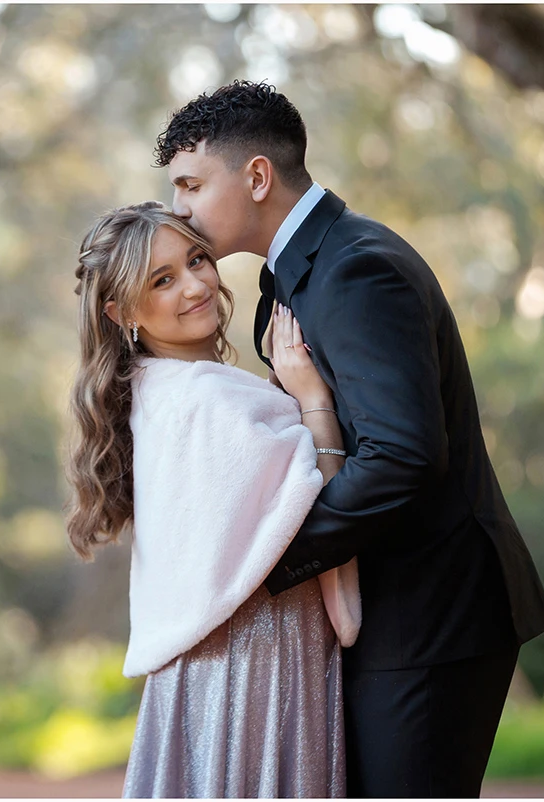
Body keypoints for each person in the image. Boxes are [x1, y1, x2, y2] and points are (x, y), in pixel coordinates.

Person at [157, 80, 544, 798]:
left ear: (256, 177)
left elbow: (403, 457)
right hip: (389, 614)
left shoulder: (356, 270)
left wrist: (271, 561)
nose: (179, 207)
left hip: (432, 616)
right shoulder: (294, 276)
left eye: (191, 183)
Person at [63, 201, 360, 798]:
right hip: (257, 665)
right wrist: (313, 401)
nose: (197, 284)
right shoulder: (207, 403)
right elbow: (327, 501)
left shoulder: (155, 396)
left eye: (197, 260)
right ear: (120, 311)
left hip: (203, 672)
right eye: (162, 280)